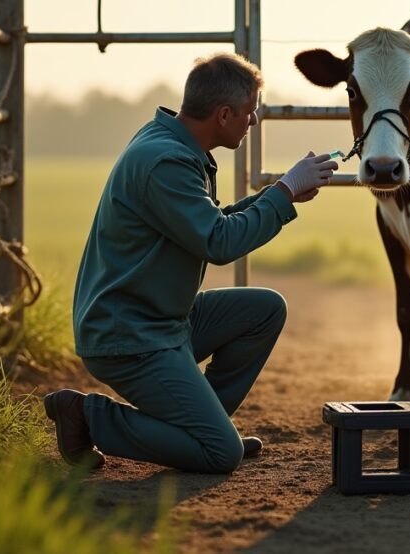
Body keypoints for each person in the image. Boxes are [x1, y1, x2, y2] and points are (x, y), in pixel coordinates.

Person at [44, 52, 338, 474]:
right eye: (249, 112)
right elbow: (218, 241)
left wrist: (280, 192)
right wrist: (285, 192)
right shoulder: (167, 161)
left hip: (162, 319)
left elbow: (207, 223)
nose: (252, 121)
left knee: (265, 309)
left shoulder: (172, 143)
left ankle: (201, 426)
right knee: (222, 454)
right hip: (130, 336)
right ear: (223, 114)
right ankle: (86, 416)